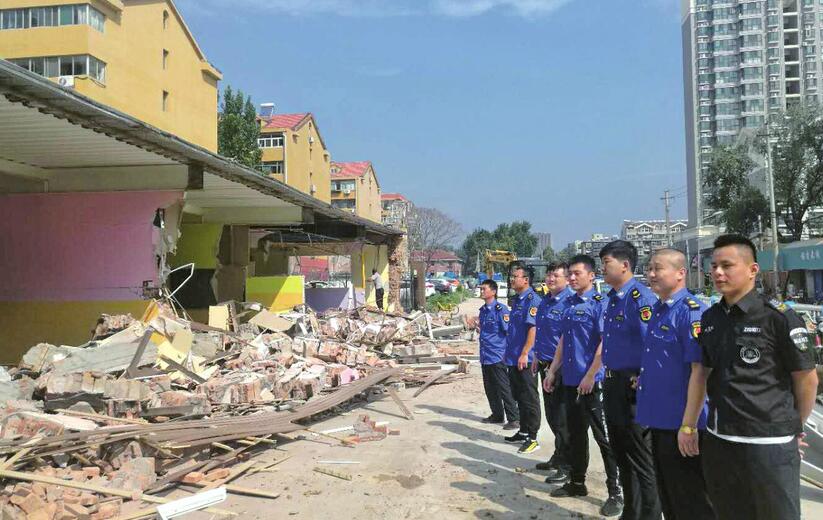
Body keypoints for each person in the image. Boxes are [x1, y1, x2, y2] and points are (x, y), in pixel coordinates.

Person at [680, 234, 819, 520]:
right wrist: (689, 425)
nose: (718, 272)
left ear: (753, 269)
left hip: (768, 446)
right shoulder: (710, 319)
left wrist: (793, 427)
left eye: (727, 265)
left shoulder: (778, 318)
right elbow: (701, 374)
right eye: (714, 266)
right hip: (720, 441)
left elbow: (806, 379)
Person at [543, 255, 623, 517]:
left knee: (604, 438)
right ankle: (577, 482)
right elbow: (564, 340)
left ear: (592, 276)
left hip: (593, 383)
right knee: (575, 434)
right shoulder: (570, 304)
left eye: (578, 273)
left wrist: (591, 374)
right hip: (571, 381)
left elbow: (604, 343)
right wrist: (553, 371)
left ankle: (616, 491)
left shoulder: (600, 304)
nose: (573, 278)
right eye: (571, 274)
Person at [637, 249, 714, 520]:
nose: (651, 274)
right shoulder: (658, 310)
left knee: (691, 499)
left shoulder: (690, 313)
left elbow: (699, 371)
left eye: (658, 268)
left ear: (681, 273)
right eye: (649, 268)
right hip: (660, 420)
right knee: (669, 495)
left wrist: (689, 425)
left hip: (682, 425)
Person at [598, 240, 661, 520]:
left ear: (624, 265)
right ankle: (631, 513)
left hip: (633, 386)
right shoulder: (613, 299)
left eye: (606, 263)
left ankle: (650, 514)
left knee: (642, 459)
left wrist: (645, 377)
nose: (602, 268)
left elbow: (653, 342)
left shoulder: (640, 298)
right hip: (612, 384)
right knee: (622, 453)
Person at [531, 262, 574, 482]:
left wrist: (553, 369)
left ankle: (567, 466)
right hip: (544, 364)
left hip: (560, 368)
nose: (550, 279)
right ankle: (558, 456)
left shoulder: (570, 302)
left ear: (567, 279)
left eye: (555, 276)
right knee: (552, 415)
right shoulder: (546, 301)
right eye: (548, 275)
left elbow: (566, 340)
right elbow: (543, 333)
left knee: (562, 418)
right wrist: (536, 356)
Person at [469, 279, 520, 430]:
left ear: (493, 291)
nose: (481, 291)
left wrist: (508, 353)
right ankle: (497, 415)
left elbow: (509, 333)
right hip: (486, 355)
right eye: (481, 289)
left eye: (484, 289)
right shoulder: (483, 311)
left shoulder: (500, 310)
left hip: (498, 355)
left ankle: (514, 418)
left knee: (504, 388)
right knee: (490, 388)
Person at [504, 266, 542, 453]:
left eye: (515, 276)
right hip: (513, 357)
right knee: (519, 396)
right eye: (511, 276)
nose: (512, 279)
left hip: (525, 358)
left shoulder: (532, 300)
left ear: (526, 279)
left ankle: (533, 437)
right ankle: (524, 431)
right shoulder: (518, 300)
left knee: (529, 398)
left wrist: (525, 353)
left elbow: (532, 329)